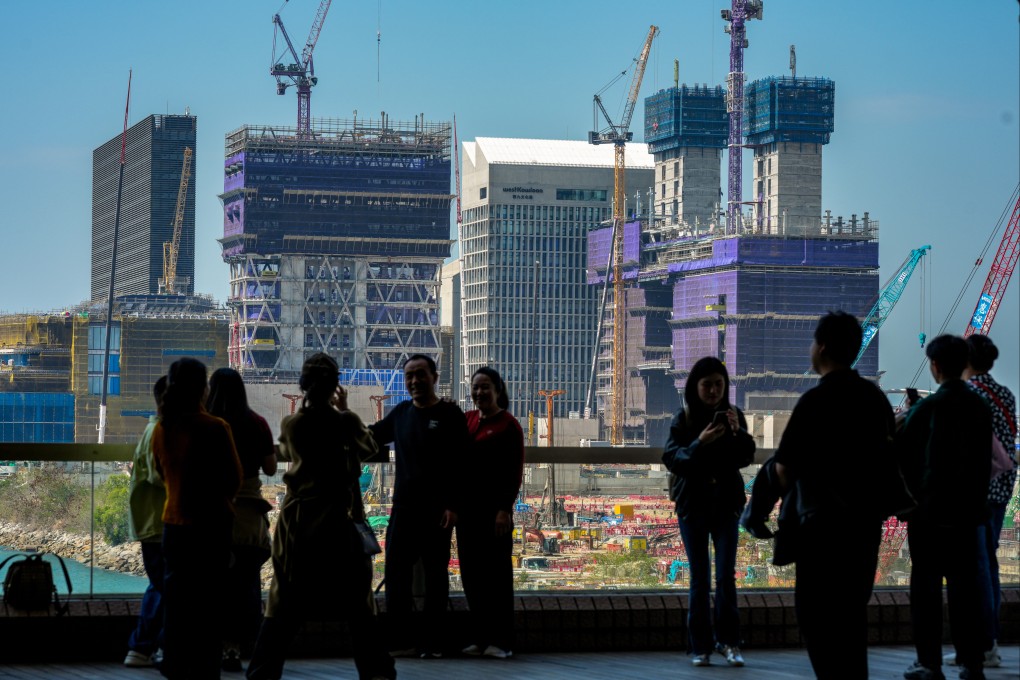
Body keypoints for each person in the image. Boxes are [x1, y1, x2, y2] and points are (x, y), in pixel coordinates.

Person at [754, 311, 900, 679]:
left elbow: (783, 469)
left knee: (817, 617)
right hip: (865, 526)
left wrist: (765, 506)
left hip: (821, 529)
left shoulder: (814, 402)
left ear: (820, 348)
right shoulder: (874, 398)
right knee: (852, 617)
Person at [246, 353, 395, 680]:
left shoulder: (293, 424)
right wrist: (345, 409)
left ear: (303, 385)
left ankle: (263, 671)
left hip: (299, 521)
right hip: (341, 519)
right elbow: (370, 448)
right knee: (359, 601)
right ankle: (377, 671)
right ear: (335, 386)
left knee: (283, 599)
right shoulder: (346, 422)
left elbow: (287, 451)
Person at [897, 334, 992, 680]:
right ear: (965, 364)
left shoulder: (927, 409)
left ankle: (929, 662)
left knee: (926, 590)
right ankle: (972, 662)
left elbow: (904, 456)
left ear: (935, 366)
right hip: (969, 514)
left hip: (929, 515)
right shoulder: (980, 407)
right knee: (967, 590)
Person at [369, 353, 468, 658]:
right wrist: (342, 415)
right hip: (403, 509)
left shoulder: (451, 415)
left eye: (420, 374)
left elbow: (462, 463)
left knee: (436, 577)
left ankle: (433, 642)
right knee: (396, 574)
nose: (414, 380)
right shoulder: (401, 413)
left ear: (434, 377)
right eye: (409, 375)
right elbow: (372, 436)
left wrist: (453, 505)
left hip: (438, 511)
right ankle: (402, 640)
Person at [153, 358, 243, 680]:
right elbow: (234, 479)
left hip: (173, 524)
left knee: (177, 604)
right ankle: (205, 669)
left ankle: (175, 664)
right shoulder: (215, 427)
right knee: (210, 605)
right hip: (211, 527)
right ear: (202, 388)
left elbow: (162, 473)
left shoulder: (162, 428)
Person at [662, 356, 755, 667]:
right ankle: (700, 646)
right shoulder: (684, 419)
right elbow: (673, 459)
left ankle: (729, 642)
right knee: (700, 578)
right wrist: (700, 442)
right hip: (693, 506)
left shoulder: (733, 415)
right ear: (695, 386)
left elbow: (745, 457)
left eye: (719, 384)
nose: (714, 390)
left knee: (726, 575)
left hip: (726, 505)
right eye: (707, 385)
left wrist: (738, 433)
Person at [943, 335, 1016, 670]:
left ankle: (983, 644)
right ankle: (989, 642)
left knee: (976, 567)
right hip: (1001, 488)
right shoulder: (1005, 394)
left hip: (974, 490)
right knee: (988, 564)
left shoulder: (969, 394)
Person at [206, 368, 277, 673]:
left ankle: (215, 646)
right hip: (248, 515)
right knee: (246, 584)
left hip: (209, 514)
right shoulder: (257, 423)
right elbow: (271, 468)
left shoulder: (206, 424)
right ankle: (241, 647)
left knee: (213, 586)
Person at [457, 367, 524, 660]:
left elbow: (514, 471)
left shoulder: (509, 425)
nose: (479, 392)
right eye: (476, 387)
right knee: (471, 576)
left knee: (497, 577)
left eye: (485, 387)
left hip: (494, 514)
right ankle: (481, 638)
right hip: (467, 513)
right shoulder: (468, 420)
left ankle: (502, 641)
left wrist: (504, 509)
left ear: (498, 390)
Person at [124, 375, 168, 668]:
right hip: (159, 523)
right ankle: (143, 646)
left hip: (154, 522)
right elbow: (161, 476)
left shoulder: (154, 430)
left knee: (162, 585)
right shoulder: (159, 432)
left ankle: (145, 647)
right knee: (164, 586)